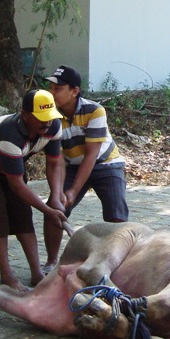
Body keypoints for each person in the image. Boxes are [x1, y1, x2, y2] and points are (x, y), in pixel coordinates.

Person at [0, 89, 69, 290]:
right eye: (41, 118)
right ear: (25, 115)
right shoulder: (10, 135)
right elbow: (17, 184)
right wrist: (47, 211)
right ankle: (7, 276)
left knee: (22, 214)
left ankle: (37, 273)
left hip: (10, 163)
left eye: (49, 117)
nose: (47, 123)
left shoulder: (54, 126)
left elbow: (54, 163)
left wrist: (55, 196)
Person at [42, 65, 128, 270]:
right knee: (55, 209)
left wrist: (73, 190)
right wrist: (59, 193)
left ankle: (117, 264)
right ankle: (51, 262)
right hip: (71, 165)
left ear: (74, 91)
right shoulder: (49, 116)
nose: (52, 93)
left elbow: (91, 155)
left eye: (58, 89)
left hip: (106, 164)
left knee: (116, 215)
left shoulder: (94, 110)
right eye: (51, 88)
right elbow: (57, 159)